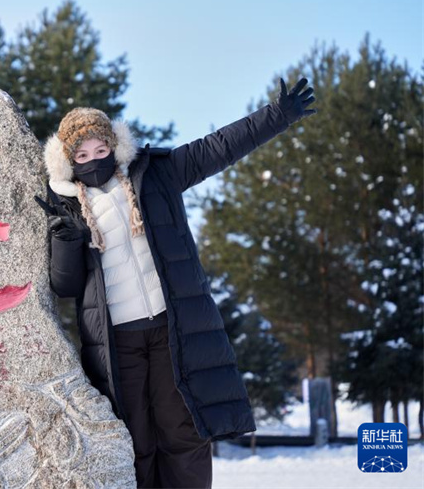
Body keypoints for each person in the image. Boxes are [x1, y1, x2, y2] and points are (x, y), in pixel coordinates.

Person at [35, 78, 317, 488]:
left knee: (182, 431)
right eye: (83, 154)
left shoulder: (155, 176)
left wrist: (276, 116)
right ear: (68, 160)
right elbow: (66, 285)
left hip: (171, 330)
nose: (94, 159)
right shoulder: (66, 206)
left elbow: (219, 146)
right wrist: (65, 238)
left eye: (101, 149)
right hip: (117, 342)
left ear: (115, 146)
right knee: (134, 439)